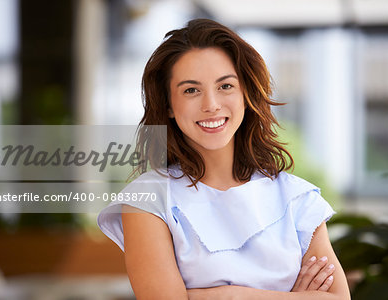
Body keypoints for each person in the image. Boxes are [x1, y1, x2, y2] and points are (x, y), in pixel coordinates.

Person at [97, 19, 351, 299]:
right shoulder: (147, 199)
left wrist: (227, 295)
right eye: (191, 90)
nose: (211, 105)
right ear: (169, 105)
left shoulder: (297, 198)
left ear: (246, 94)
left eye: (225, 86)